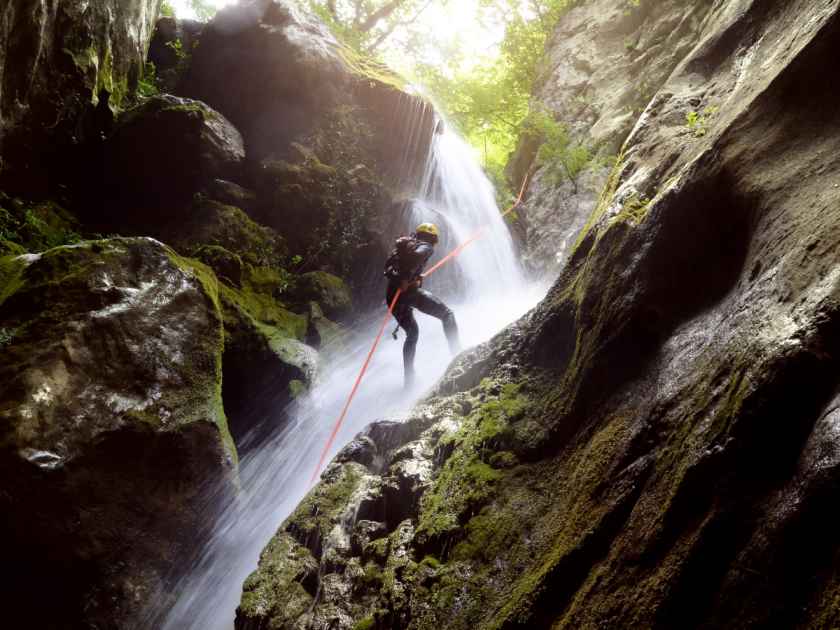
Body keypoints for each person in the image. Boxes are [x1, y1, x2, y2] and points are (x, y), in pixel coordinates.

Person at [385, 222, 460, 388]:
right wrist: (406, 278)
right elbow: (415, 259)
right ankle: (459, 357)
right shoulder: (425, 246)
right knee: (447, 314)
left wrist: (407, 279)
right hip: (407, 295)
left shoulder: (399, 250)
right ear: (433, 237)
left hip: (392, 298)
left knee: (412, 333)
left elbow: (387, 269)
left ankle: (409, 380)